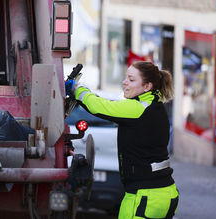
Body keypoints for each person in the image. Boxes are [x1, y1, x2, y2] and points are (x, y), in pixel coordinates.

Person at [65, 61, 179, 219]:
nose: (125, 82)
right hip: (166, 194)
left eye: (131, 80)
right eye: (126, 77)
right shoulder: (155, 106)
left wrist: (76, 89)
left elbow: (100, 106)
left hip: (143, 197)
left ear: (147, 87)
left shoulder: (138, 109)